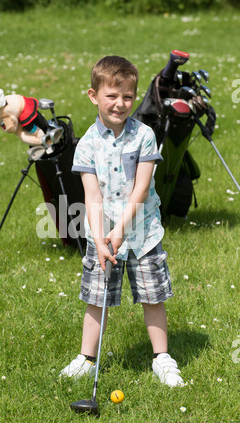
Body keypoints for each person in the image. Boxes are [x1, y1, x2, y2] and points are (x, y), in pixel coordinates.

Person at [59, 56, 183, 387]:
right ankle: (86, 358)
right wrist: (100, 240)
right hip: (103, 235)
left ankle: (162, 358)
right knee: (96, 298)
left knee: (152, 295)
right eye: (112, 96)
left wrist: (120, 231)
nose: (120, 104)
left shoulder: (144, 136)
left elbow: (141, 189)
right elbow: (92, 198)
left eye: (127, 97)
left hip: (142, 233)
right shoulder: (85, 145)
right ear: (93, 95)